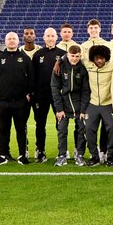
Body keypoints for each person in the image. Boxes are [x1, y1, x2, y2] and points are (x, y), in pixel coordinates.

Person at [0, 31, 32, 165]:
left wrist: (28, 94)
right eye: (9, 39)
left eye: (14, 39)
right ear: (5, 41)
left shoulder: (24, 58)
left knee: (21, 129)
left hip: (20, 101)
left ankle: (22, 155)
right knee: (3, 129)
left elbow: (31, 78)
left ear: (18, 41)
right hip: (3, 102)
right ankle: (2, 155)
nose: (12, 41)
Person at [51, 45, 90, 166]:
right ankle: (62, 155)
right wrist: (59, 109)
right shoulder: (59, 67)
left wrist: (83, 110)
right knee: (62, 130)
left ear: (80, 56)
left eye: (77, 56)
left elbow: (85, 91)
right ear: (68, 55)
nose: (74, 59)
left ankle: (79, 155)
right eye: (72, 56)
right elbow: (55, 88)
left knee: (82, 130)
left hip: (79, 103)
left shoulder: (83, 69)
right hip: (63, 103)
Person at [31, 28, 65, 162]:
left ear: (56, 38)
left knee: (60, 124)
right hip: (41, 95)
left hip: (57, 96)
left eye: (52, 36)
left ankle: (62, 151)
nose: (50, 38)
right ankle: (40, 151)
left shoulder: (63, 54)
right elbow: (33, 76)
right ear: (43, 38)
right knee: (40, 124)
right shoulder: (38, 54)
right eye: (48, 36)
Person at [84, 44, 113, 166]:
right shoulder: (88, 65)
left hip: (108, 104)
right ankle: (94, 156)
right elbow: (71, 56)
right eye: (96, 58)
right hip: (93, 104)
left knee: (112, 130)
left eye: (102, 58)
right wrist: (59, 61)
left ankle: (110, 156)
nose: (99, 61)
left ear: (106, 58)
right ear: (92, 58)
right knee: (89, 130)